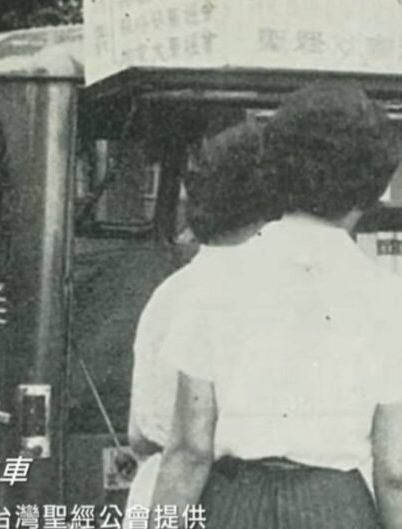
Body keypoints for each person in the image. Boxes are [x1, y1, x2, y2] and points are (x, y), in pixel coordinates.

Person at [150, 83, 402, 529]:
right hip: (337, 509)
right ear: (373, 185)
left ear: (275, 168)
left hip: (233, 505)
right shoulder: (388, 296)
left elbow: (188, 451)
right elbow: (397, 473)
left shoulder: (213, 281)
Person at [126, 120, 272, 511]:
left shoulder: (170, 294)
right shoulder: (279, 295)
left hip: (160, 490)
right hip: (235, 498)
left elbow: (138, 434)